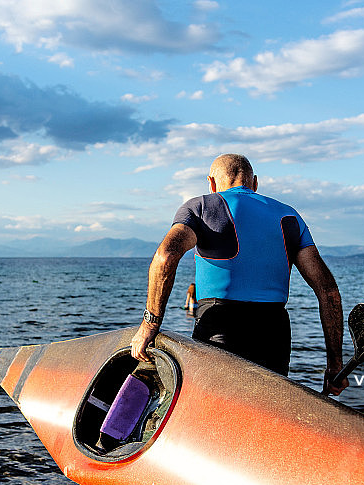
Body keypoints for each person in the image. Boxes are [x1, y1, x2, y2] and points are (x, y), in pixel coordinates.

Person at [131, 154, 348, 395]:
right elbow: (328, 290)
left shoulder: (201, 206)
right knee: (266, 414)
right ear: (254, 183)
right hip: (274, 333)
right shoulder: (290, 216)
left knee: (217, 414)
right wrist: (334, 364)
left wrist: (150, 324)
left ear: (211, 183)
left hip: (219, 326)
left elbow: (165, 257)